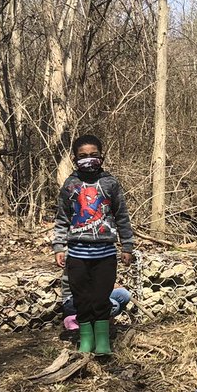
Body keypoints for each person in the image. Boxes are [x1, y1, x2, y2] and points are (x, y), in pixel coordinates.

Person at [51, 134, 134, 356]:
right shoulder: (70, 185)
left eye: (93, 155)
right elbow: (62, 218)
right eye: (83, 156)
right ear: (75, 158)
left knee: (100, 297)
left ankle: (103, 341)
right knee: (82, 299)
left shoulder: (111, 184)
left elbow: (122, 216)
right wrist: (59, 246)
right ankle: (85, 340)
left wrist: (127, 246)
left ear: (102, 156)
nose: (89, 159)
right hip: (77, 253)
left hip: (105, 253)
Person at [62, 287, 131, 332]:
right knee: (113, 305)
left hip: (94, 293)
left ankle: (99, 321)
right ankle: (75, 320)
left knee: (124, 294)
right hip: (73, 299)